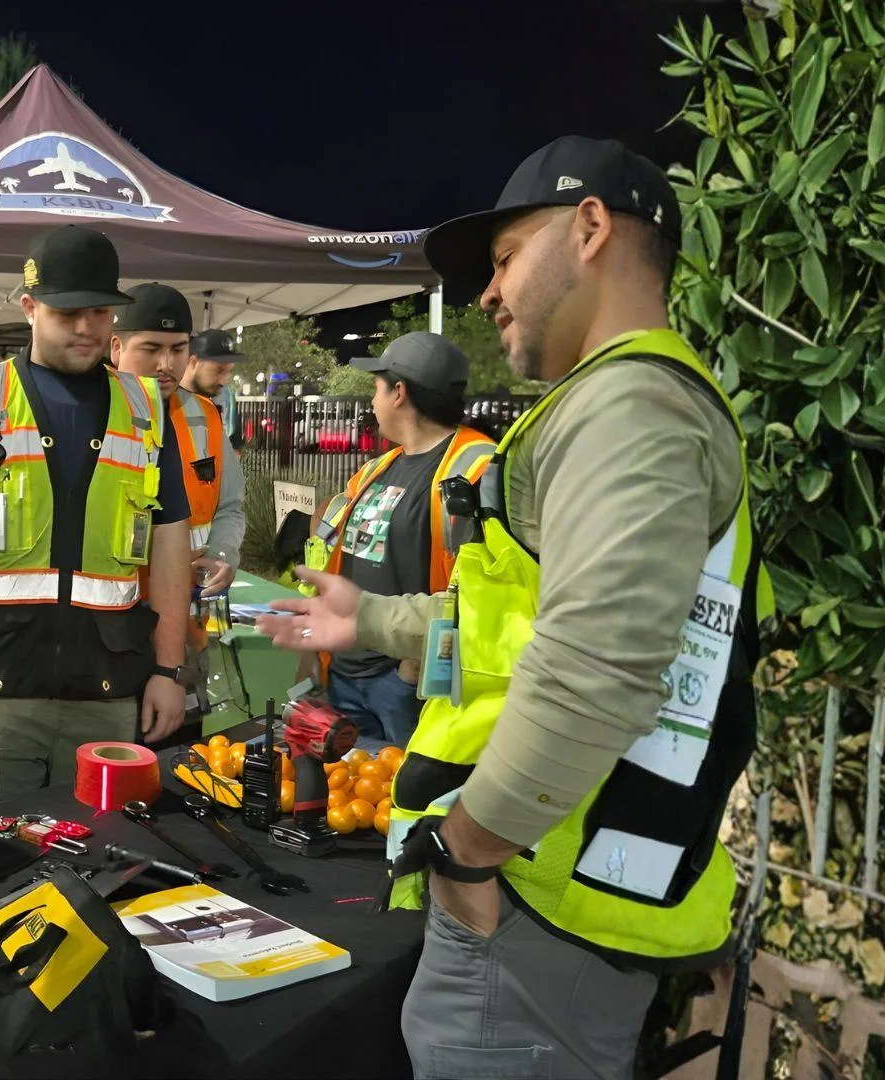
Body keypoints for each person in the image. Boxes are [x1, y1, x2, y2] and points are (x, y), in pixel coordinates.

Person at [258, 136, 768, 1078]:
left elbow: (597, 669)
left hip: (540, 898)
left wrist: (466, 853)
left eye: (504, 260)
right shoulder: (615, 406)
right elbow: (526, 629)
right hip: (544, 892)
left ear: (589, 227)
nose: (488, 295)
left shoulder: (629, 408)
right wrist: (369, 622)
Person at [0, 225, 192, 795]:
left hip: (111, 690)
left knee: (104, 861)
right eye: (68, 312)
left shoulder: (146, 410)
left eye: (100, 311)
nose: (87, 327)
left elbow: (169, 544)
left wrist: (168, 669)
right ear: (30, 307)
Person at [301, 332, 494, 746]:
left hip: (405, 686)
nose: (372, 402)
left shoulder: (476, 469)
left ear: (399, 393)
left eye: (376, 388)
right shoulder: (377, 469)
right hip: (345, 676)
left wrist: (409, 670)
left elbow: (478, 592)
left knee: (406, 802)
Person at [108, 283, 245, 596]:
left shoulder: (206, 417)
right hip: (107, 607)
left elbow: (230, 507)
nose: (166, 365)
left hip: (186, 606)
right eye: (151, 349)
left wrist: (221, 555)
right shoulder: (89, 413)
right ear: (117, 348)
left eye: (177, 349)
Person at [183, 328, 245, 451]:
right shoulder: (164, 401)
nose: (224, 380)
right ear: (194, 362)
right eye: (218, 370)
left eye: (229, 371)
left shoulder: (225, 395)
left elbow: (232, 436)